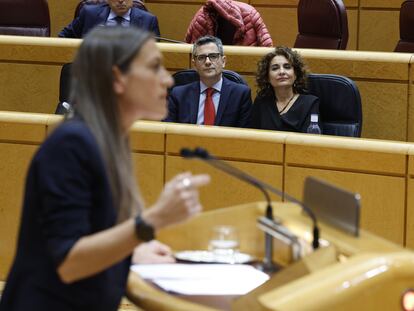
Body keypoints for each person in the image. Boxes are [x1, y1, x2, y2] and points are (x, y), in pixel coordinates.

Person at [0, 26, 210, 311]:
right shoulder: (71, 145)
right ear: (117, 78)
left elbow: (94, 233)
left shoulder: (109, 139)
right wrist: (153, 220)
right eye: (154, 67)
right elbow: (68, 262)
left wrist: (133, 250)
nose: (168, 81)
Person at [165, 35, 252, 127]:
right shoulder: (178, 95)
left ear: (223, 61)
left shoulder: (241, 94)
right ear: (194, 64)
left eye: (213, 56)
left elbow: (244, 136)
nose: (207, 62)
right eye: (201, 57)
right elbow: (167, 131)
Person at [250, 46, 320, 133]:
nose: (282, 72)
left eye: (287, 67)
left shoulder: (310, 103)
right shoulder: (261, 102)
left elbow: (311, 141)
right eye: (275, 68)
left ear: (296, 74)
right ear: (267, 77)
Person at [59, 0, 160, 38]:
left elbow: (154, 53)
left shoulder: (149, 21)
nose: (121, 1)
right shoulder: (89, 14)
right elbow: (63, 37)